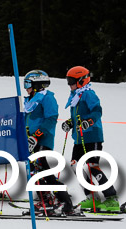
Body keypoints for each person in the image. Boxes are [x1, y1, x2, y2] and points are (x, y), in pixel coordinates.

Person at [62, 66, 120, 211]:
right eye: (68, 81)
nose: (69, 84)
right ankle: (91, 196)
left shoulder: (88, 94)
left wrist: (89, 121)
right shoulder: (76, 96)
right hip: (79, 138)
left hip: (92, 136)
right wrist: (70, 123)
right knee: (75, 165)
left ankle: (111, 198)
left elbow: (97, 111)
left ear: (82, 80)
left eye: (72, 81)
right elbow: (76, 117)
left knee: (91, 166)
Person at [24, 70, 75, 215]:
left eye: (28, 84)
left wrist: (36, 135)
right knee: (35, 171)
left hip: (42, 140)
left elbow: (51, 118)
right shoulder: (30, 100)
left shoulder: (47, 98)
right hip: (30, 141)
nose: (26, 88)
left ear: (37, 84)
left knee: (43, 170)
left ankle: (64, 201)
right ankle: (46, 200)